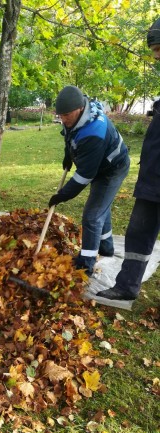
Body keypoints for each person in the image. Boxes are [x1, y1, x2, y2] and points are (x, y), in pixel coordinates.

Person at [96, 18, 160, 301]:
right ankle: (127, 286)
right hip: (153, 178)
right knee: (138, 232)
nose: (156, 56)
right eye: (154, 50)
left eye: (159, 48)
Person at [48, 85, 130, 276]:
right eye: (60, 115)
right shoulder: (76, 119)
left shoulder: (94, 130)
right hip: (99, 165)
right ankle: (107, 247)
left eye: (67, 114)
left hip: (112, 168)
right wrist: (68, 156)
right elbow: (70, 137)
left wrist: (62, 195)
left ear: (80, 108)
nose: (63, 119)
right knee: (101, 205)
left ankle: (86, 263)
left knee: (92, 216)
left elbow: (84, 175)